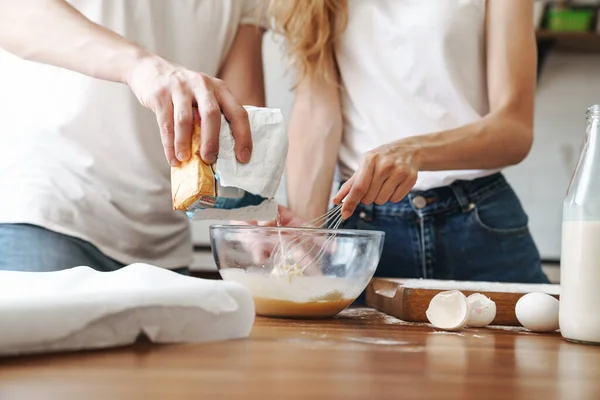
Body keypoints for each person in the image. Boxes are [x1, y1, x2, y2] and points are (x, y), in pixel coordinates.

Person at [268, 0, 550, 284]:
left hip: (478, 222)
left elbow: (514, 131)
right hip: (363, 228)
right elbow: (316, 111)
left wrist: (413, 152)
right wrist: (306, 238)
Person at [0, 0, 266, 272]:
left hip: (160, 243)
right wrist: (138, 65)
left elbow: (240, 114)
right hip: (46, 213)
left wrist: (248, 214)